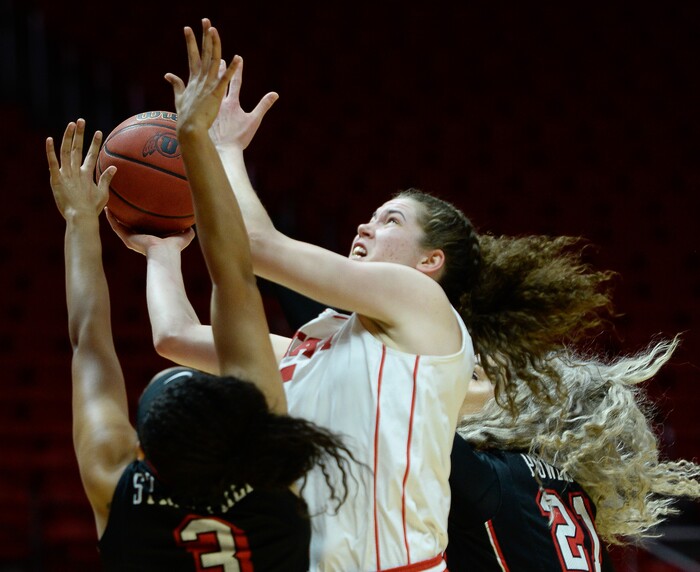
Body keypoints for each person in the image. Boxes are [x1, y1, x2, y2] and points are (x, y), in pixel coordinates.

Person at [108, 27, 616, 572]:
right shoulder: (317, 346)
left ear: (430, 261)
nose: (364, 225)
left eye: (389, 220)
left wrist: (224, 148)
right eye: (370, 215)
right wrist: (160, 247)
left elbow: (253, 247)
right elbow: (175, 337)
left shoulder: (421, 303)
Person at [47, 23, 354, 572]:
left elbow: (87, 344)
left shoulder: (122, 489)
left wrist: (79, 220)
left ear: (142, 451)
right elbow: (234, 277)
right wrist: (198, 141)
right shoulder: (270, 473)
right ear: (244, 428)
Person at [447, 338, 700, 571]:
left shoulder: (493, 478)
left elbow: (419, 406)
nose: (448, 377)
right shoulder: (570, 493)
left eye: (472, 375)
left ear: (512, 414)